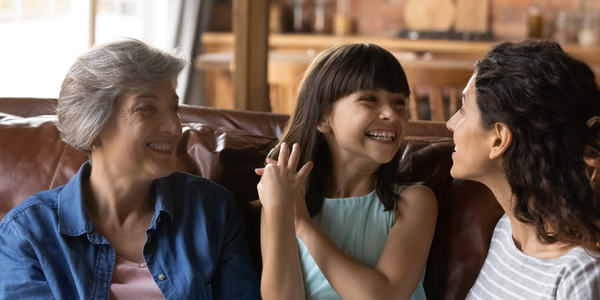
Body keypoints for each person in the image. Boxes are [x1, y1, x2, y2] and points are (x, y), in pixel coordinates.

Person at [0, 38, 260, 299]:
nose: (173, 126)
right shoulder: (26, 234)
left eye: (174, 108)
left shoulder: (213, 209)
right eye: (146, 109)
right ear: (93, 127)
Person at [256, 42, 438, 300]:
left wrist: (302, 223)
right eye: (369, 99)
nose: (391, 114)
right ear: (322, 118)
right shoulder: (283, 200)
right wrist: (280, 211)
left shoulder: (414, 202)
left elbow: (384, 296)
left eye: (399, 102)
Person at [446, 39, 600, 299]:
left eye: (463, 110)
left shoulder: (580, 274)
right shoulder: (507, 229)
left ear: (498, 139)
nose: (451, 123)